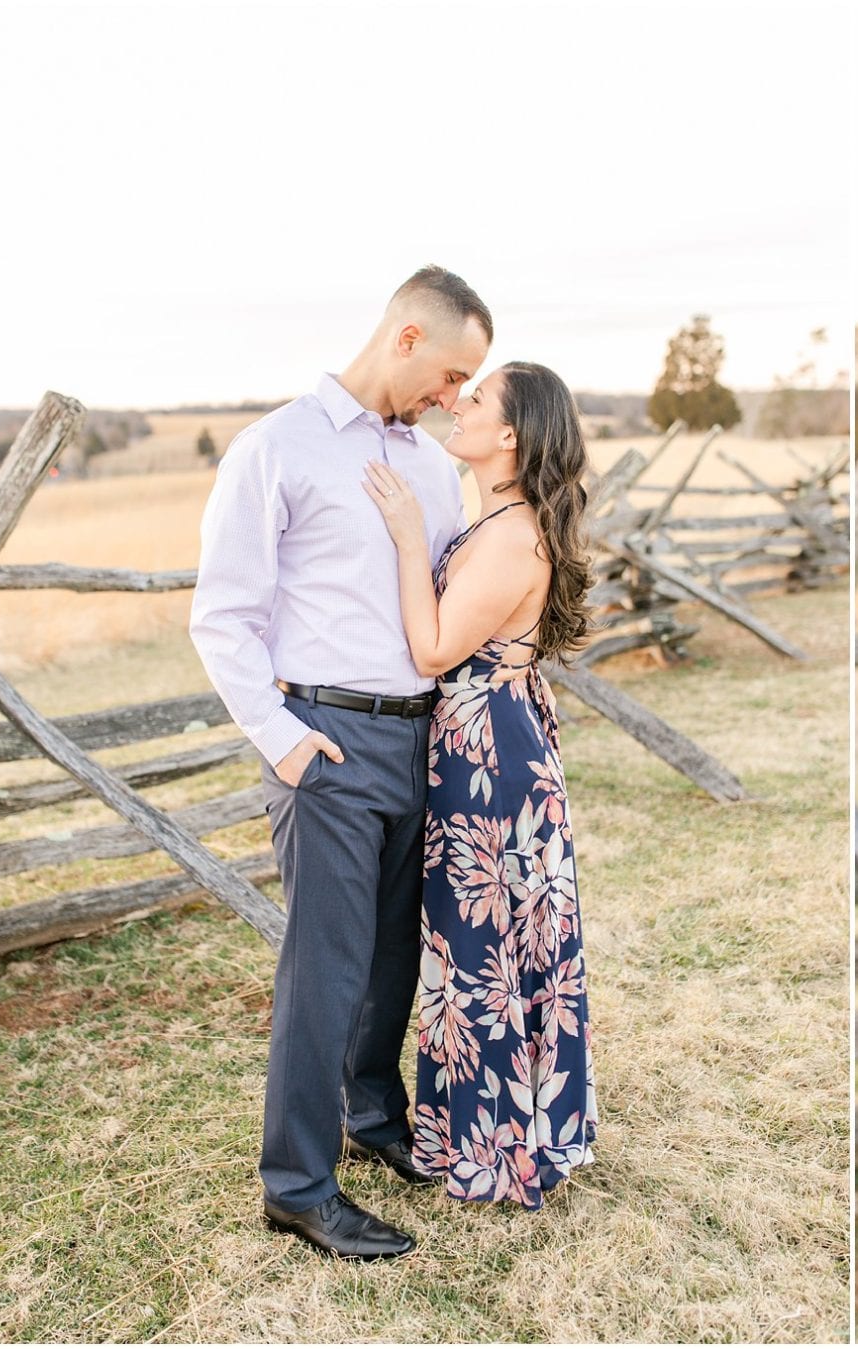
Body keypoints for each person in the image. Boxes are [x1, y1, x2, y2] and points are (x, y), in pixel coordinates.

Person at [191, 266, 492, 1259]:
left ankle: (373, 1115)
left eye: (468, 385)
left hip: (421, 733)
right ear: (406, 336)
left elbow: (445, 603)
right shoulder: (277, 447)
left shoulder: (434, 470)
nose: (454, 398)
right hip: (324, 736)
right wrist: (282, 740)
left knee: (397, 951)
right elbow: (223, 614)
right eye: (451, 373)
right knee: (324, 965)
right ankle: (297, 1183)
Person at [362, 361, 598, 1209]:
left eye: (479, 399)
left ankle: (496, 1142)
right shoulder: (501, 518)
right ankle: (486, 1123)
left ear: (510, 437)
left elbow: (432, 651)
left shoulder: (508, 535)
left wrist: (403, 531)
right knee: (485, 936)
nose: (457, 404)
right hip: (487, 738)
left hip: (487, 755)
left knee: (486, 942)